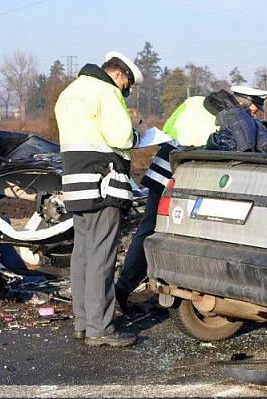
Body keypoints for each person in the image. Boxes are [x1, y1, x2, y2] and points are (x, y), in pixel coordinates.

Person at [55, 51, 143, 347]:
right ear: (119, 76)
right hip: (102, 185)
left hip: (75, 184)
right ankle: (101, 328)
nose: (124, 92)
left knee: (82, 254)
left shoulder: (69, 92)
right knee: (101, 257)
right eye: (126, 87)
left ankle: (82, 322)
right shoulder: (106, 91)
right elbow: (122, 138)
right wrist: (135, 131)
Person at [115, 94, 217, 309]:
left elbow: (169, 129)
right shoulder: (227, 116)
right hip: (184, 172)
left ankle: (123, 289)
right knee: (166, 232)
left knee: (148, 230)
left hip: (165, 166)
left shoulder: (192, 103)